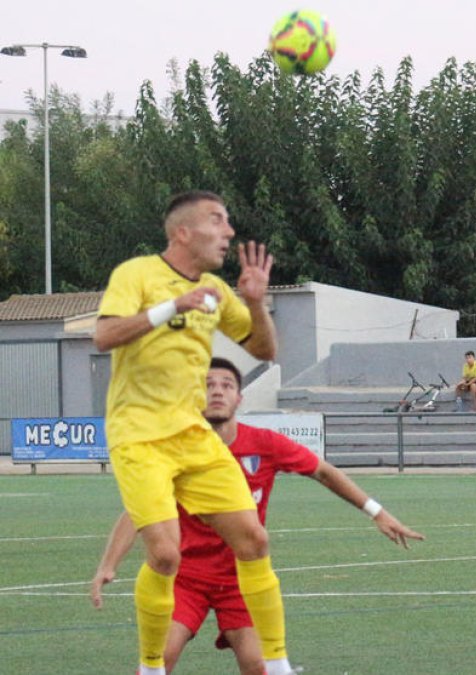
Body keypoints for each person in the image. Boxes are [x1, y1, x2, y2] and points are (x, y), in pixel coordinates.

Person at [90, 358, 425, 674]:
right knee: (162, 657)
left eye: (226, 385)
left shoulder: (264, 443)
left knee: (257, 663)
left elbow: (323, 471)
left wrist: (377, 512)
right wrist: (109, 563)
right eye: (207, 385)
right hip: (186, 579)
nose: (217, 390)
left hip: (241, 579)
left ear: (240, 398)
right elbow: (138, 511)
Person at [92, 191, 297, 675]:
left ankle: (280, 664)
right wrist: (171, 306)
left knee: (254, 540)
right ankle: (150, 667)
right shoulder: (136, 274)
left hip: (193, 435)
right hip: (139, 435)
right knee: (165, 554)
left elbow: (264, 350)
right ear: (182, 232)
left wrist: (255, 302)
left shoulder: (217, 291)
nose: (228, 231)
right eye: (217, 220)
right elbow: (102, 336)